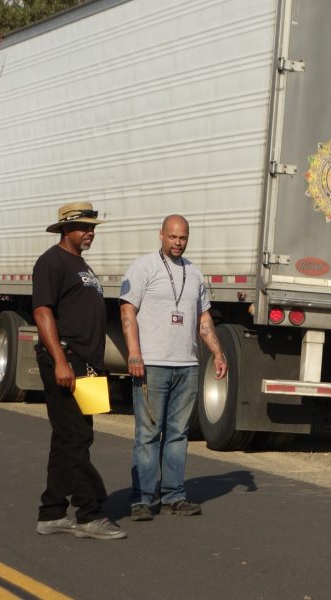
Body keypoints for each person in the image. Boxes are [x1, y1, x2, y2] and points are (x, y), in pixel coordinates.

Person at [120, 214, 227, 521]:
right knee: (148, 434)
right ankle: (141, 499)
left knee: (178, 434)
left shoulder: (194, 273)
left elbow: (203, 318)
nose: (178, 243)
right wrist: (134, 354)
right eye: (173, 237)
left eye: (183, 238)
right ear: (161, 235)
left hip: (187, 366)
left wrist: (217, 353)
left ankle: (173, 496)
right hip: (152, 364)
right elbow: (127, 311)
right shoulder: (143, 268)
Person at [32, 202, 127, 540]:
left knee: (68, 438)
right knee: (76, 438)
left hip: (87, 365)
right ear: (65, 230)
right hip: (66, 361)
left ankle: (52, 512)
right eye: (84, 227)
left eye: (93, 228)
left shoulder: (80, 264)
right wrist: (59, 359)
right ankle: (90, 514)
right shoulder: (51, 262)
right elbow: (43, 312)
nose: (90, 233)